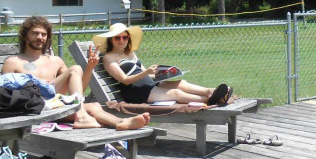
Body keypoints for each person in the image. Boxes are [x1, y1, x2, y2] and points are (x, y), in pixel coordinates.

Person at [1, 16, 150, 130]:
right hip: (31, 105)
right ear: (25, 35)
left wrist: (90, 67)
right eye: (35, 33)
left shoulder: (56, 60)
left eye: (43, 34)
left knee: (95, 106)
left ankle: (122, 122)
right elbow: (4, 94)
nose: (39, 37)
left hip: (53, 105)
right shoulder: (13, 62)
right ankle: (82, 116)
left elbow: (78, 92)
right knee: (75, 70)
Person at [95, 23, 231, 105]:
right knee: (175, 93)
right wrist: (147, 72)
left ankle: (211, 92)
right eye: (117, 37)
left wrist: (162, 73)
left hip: (149, 84)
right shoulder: (109, 58)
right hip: (136, 92)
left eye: (124, 37)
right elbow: (124, 80)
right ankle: (211, 100)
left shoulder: (130, 52)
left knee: (181, 83)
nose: (121, 40)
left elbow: (146, 73)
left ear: (128, 38)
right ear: (111, 40)